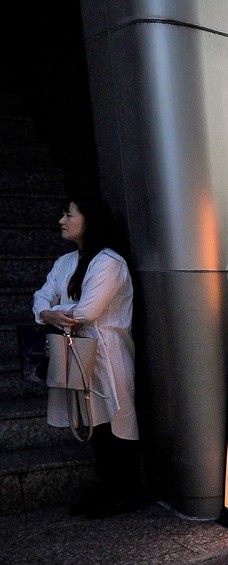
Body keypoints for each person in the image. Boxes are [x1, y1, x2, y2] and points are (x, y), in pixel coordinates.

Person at [32, 195, 144, 518]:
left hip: (107, 355)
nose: (61, 221)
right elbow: (41, 296)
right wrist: (46, 312)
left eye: (68, 214)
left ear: (89, 219)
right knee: (92, 420)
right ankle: (109, 486)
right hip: (79, 355)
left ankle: (127, 489)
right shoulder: (65, 263)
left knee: (117, 418)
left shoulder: (109, 262)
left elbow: (86, 311)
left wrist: (49, 314)